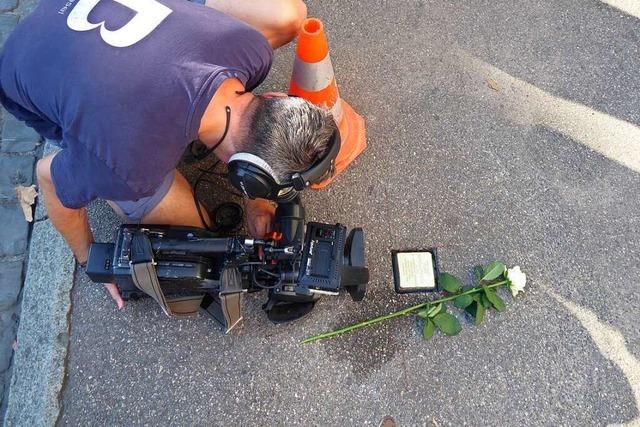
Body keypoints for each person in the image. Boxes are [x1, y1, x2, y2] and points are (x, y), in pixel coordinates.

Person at [0, 0, 337, 308]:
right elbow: (48, 177)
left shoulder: (249, 50)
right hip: (27, 58)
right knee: (197, 232)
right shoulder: (131, 167)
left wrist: (256, 198)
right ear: (245, 171)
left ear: (278, 98)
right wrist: (93, 259)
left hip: (84, 14)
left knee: (286, 16)